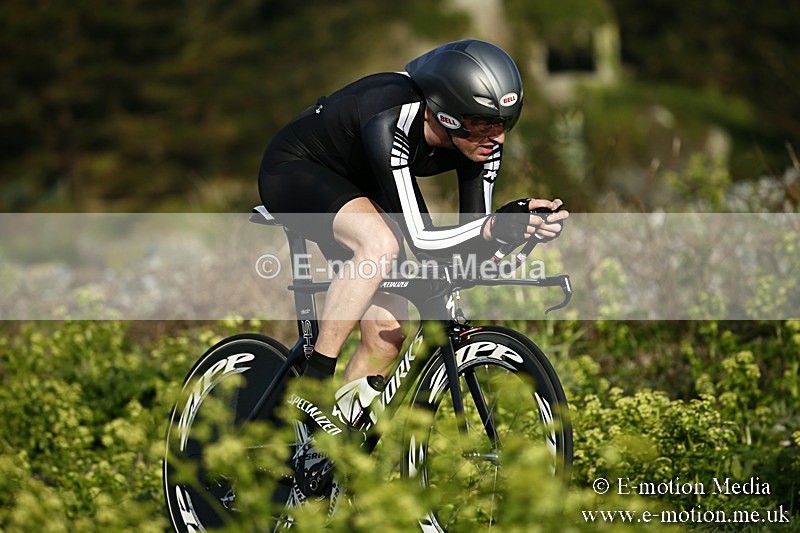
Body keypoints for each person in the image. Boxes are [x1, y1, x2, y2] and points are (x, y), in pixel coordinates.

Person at [257, 39, 568, 501]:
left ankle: (323, 462)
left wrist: (513, 232)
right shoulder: (393, 117)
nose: (498, 137)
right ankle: (315, 381)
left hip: (361, 183)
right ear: (446, 115)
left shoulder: (482, 146)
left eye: (505, 123)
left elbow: (464, 250)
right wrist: (491, 229)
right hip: (297, 170)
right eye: (485, 124)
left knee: (388, 335)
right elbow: (422, 240)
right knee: (380, 243)